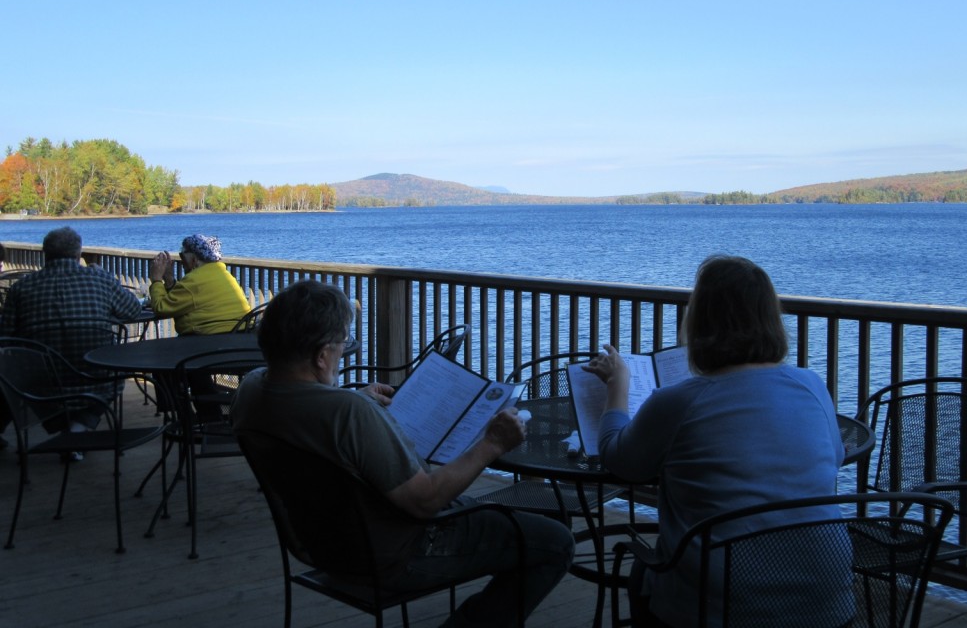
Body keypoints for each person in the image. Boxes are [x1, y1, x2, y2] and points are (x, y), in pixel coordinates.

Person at [231, 280, 574, 628]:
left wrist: (356, 398)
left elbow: (310, 415)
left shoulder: (251, 390)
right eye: (342, 345)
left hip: (323, 547)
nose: (342, 353)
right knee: (556, 542)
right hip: (399, 551)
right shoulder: (346, 414)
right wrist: (493, 444)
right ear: (321, 356)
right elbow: (425, 501)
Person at [583, 255, 851, 628]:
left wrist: (617, 388)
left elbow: (621, 461)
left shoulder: (680, 400)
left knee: (642, 577)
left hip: (722, 604)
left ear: (700, 321)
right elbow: (834, 458)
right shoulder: (811, 385)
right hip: (826, 600)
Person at [0, 226, 143, 436]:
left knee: (9, 374)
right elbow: (133, 310)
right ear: (78, 254)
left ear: (45, 254)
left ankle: (59, 425)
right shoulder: (99, 279)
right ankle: (79, 425)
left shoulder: (21, 288)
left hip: (40, 384)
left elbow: (6, 337)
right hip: (96, 377)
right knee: (117, 377)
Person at [148, 234, 249, 334]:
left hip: (211, 340)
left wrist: (156, 280)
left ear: (194, 258)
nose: (181, 261)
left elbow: (161, 308)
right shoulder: (224, 275)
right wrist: (170, 280)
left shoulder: (193, 281)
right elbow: (183, 299)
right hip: (241, 334)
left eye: (182, 256)